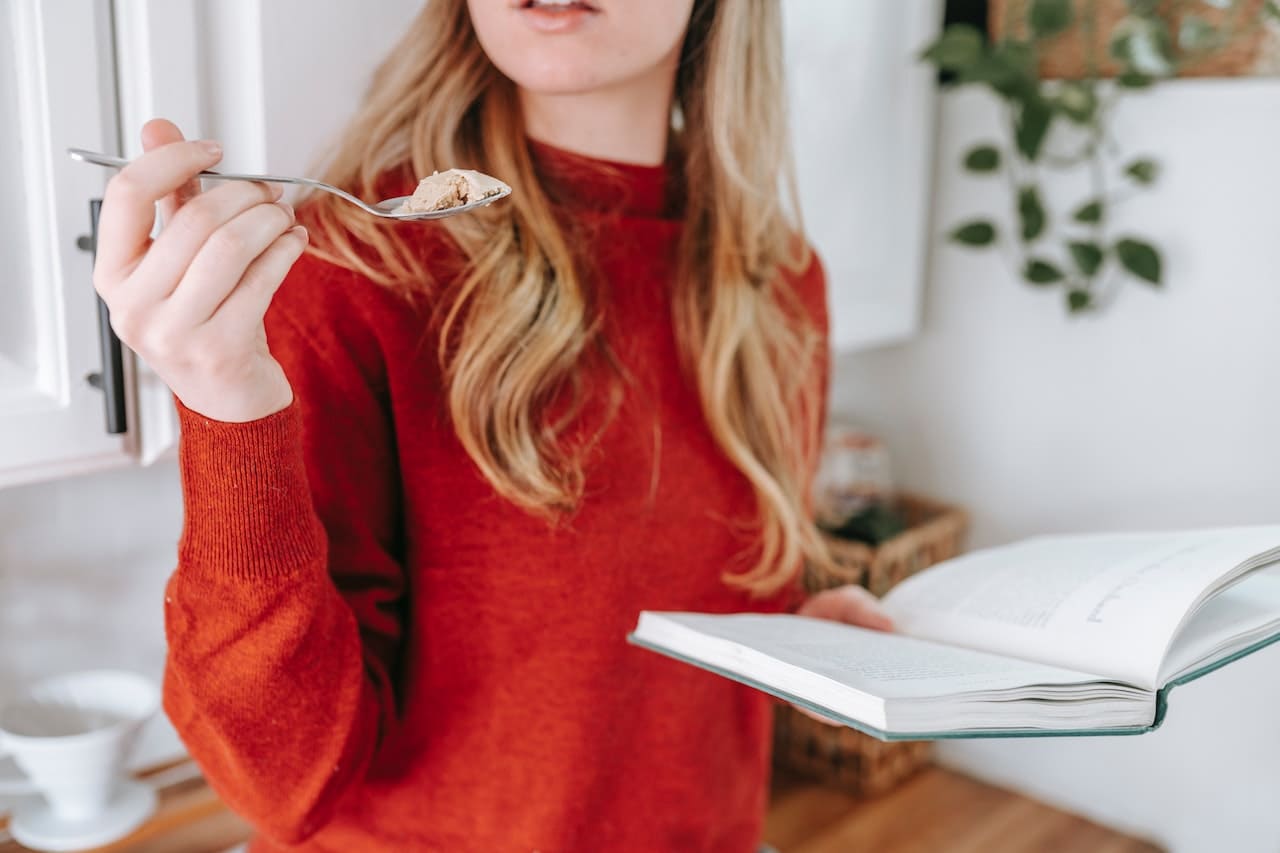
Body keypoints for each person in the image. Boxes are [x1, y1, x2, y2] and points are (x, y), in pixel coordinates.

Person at [92, 0, 894, 849]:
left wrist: (796, 629)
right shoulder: (349, 268)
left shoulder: (781, 283)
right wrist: (226, 406)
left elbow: (619, 610)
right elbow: (281, 787)